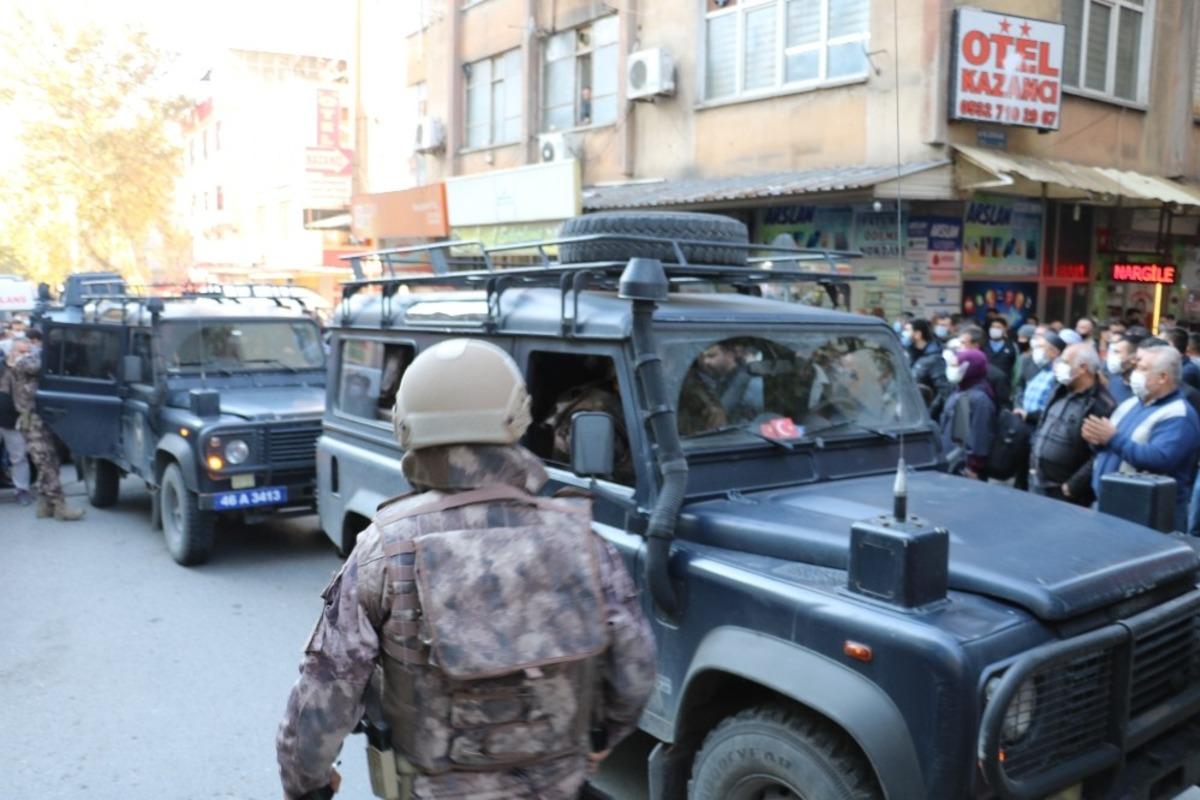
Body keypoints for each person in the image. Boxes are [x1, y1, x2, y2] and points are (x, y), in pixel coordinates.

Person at [276, 338, 656, 800]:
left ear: (405, 428)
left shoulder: (386, 547)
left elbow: (325, 692)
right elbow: (635, 671)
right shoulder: (583, 540)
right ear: (517, 418)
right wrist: (600, 742)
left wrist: (308, 784)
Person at [1085, 344, 1200, 529]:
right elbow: (1112, 446)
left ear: (1163, 377)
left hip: (1146, 515)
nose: (1135, 373)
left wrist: (1112, 438)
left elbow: (1160, 459)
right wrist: (1097, 440)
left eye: (1143, 369)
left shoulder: (1179, 415)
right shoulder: (1131, 404)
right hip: (1110, 505)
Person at [6, 335, 84, 520]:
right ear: (13, 352)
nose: (27, 354)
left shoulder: (21, 365)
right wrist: (38, 352)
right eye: (22, 351)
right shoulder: (20, 365)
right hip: (31, 421)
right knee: (47, 464)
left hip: (38, 419)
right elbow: (36, 365)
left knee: (48, 463)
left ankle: (45, 504)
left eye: (28, 350)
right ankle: (60, 506)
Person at [1028, 344, 1115, 506]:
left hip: (1064, 492)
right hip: (1038, 481)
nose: (1058, 365)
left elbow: (1099, 453)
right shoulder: (1060, 390)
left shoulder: (1100, 404)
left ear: (1083, 368)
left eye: (1065, 361)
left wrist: (1073, 485)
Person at [939, 348, 995, 480]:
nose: (952, 369)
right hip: (950, 459)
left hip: (964, 468)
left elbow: (980, 435)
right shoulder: (959, 390)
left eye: (956, 365)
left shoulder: (980, 399)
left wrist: (973, 467)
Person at [1016, 331, 1065, 425]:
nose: (1036, 350)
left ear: (1054, 352)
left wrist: (1030, 416)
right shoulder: (1042, 371)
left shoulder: (1058, 376)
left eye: (1041, 347)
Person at [959, 326, 1011, 408]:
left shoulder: (996, 376)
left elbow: (1002, 408)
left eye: (963, 343)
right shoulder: (957, 371)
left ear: (975, 346)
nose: (959, 347)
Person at [905, 319, 948, 412]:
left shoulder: (934, 359)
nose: (905, 334)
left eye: (908, 330)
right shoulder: (912, 355)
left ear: (918, 334)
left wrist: (930, 412)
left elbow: (944, 391)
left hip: (925, 414)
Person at [1105, 333, 1141, 405]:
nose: (1112, 357)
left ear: (1134, 357)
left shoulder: (1144, 389)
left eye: (1117, 352)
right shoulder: (1114, 382)